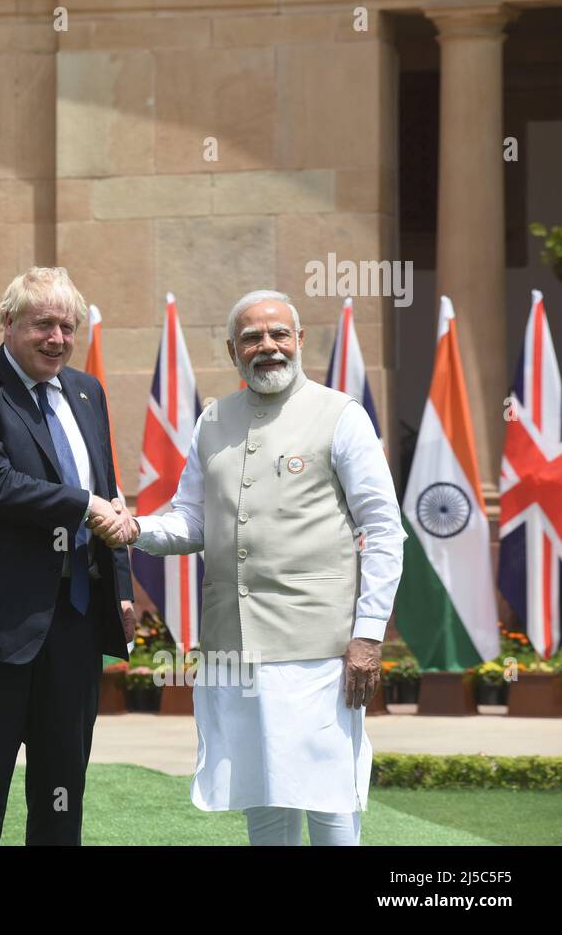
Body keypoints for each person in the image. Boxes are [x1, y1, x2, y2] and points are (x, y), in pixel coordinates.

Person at [120, 289, 404, 846]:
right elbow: (192, 521)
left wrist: (368, 635)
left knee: (329, 798)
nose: (267, 346)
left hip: (318, 648)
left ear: (299, 341)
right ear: (233, 350)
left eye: (278, 334)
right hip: (234, 645)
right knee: (261, 795)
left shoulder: (341, 415)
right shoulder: (213, 420)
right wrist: (136, 528)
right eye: (252, 337)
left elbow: (385, 530)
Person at [0, 267, 138, 846]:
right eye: (44, 324)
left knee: (62, 793)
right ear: (9, 322)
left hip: (72, 624)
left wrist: (118, 586)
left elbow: (108, 491)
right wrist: (85, 505)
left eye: (69, 327)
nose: (58, 339)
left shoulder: (87, 393)